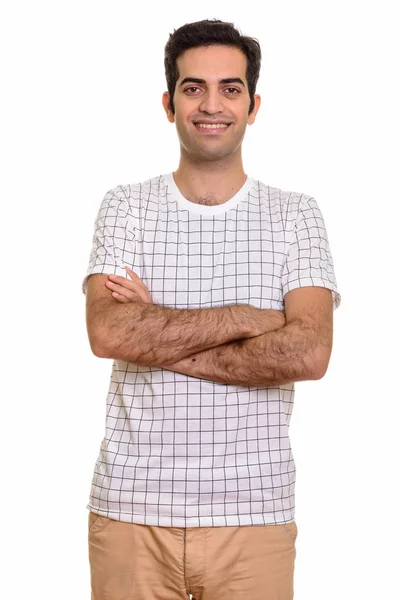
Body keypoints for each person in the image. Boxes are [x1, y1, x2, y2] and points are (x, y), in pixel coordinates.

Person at [83, 18, 341, 600]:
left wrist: (155, 330)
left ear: (253, 106)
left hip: (255, 513)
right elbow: (108, 331)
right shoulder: (126, 207)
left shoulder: (295, 215)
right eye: (193, 87)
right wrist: (251, 319)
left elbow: (309, 351)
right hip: (131, 509)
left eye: (230, 88)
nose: (211, 104)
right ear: (169, 104)